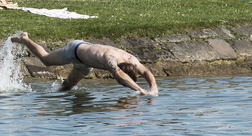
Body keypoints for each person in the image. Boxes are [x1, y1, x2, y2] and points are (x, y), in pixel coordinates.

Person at [11, 32, 158, 95]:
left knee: (67, 87)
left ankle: (51, 97)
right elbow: (120, 77)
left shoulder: (131, 59)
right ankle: (25, 39)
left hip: (85, 64)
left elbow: (146, 72)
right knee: (46, 60)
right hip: (75, 50)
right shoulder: (110, 59)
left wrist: (153, 88)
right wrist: (141, 91)